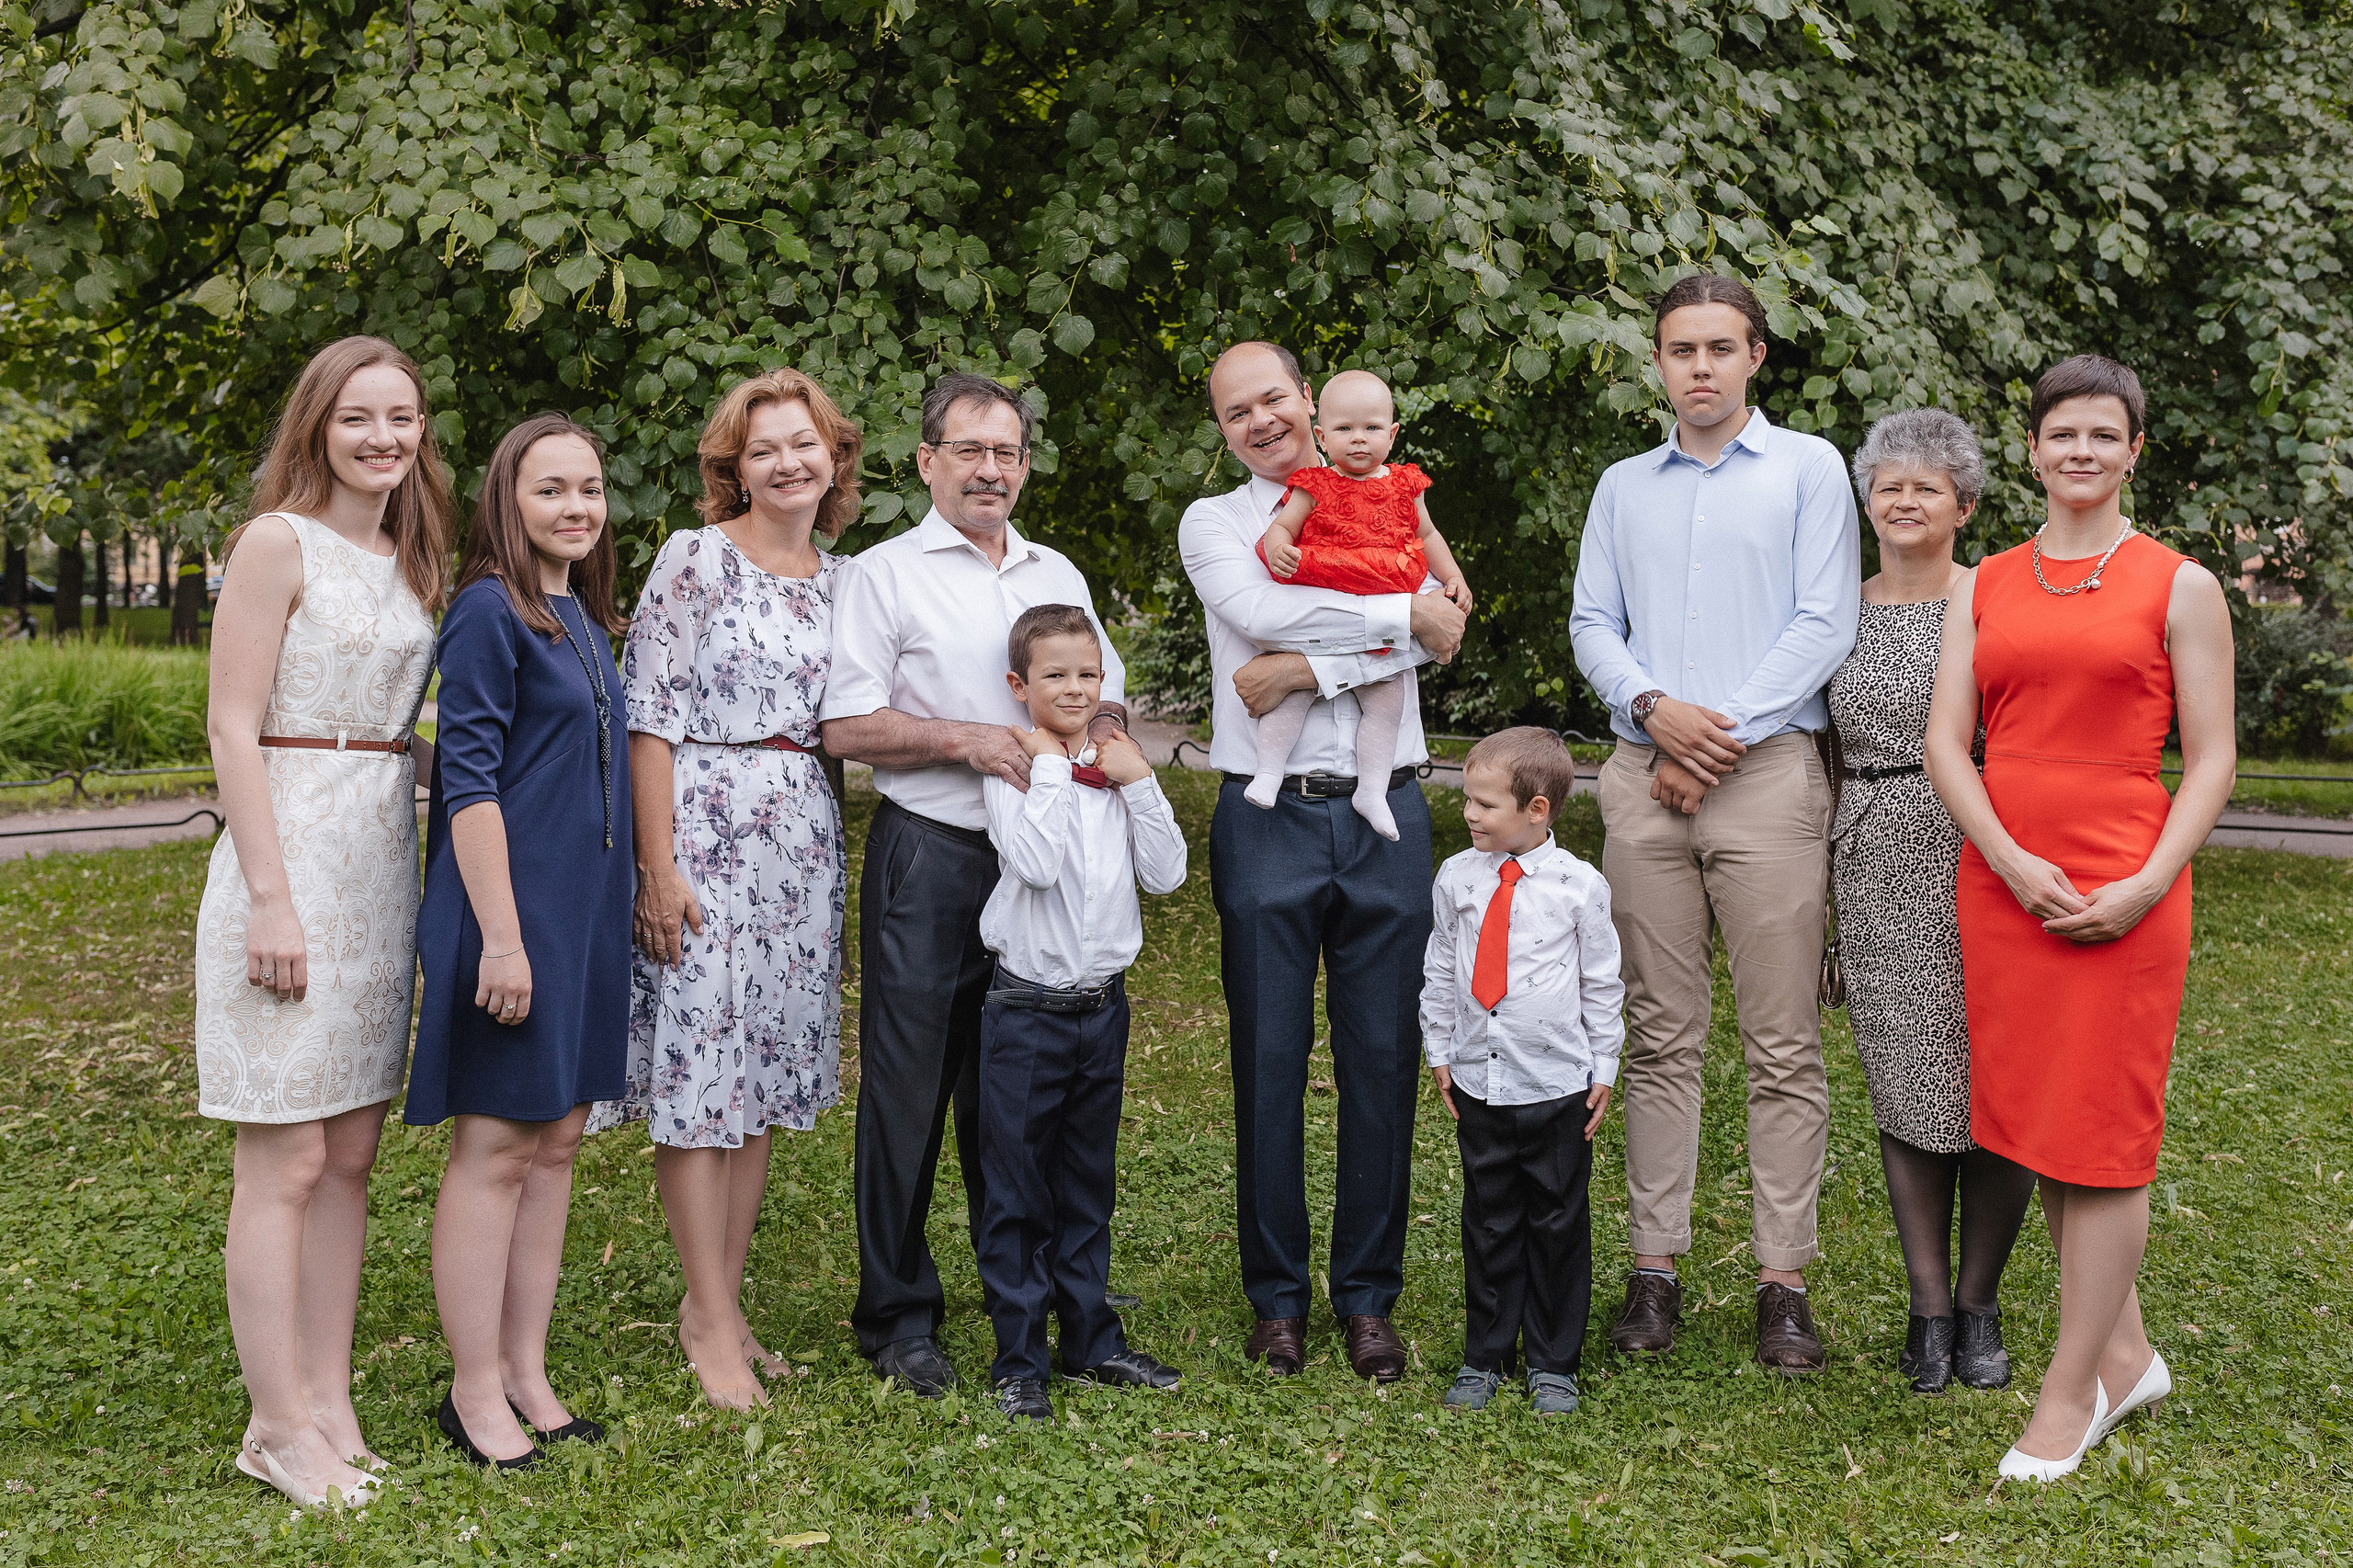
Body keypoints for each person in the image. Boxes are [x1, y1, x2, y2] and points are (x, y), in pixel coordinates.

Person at [1926, 355, 2234, 1480]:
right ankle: (2132, 1350)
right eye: (2063, 434)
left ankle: (2072, 1393)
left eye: (2104, 435)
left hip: (2123, 886)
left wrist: (2149, 882)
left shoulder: (2178, 583)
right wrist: (2006, 859)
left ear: (2132, 450)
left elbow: (2212, 758)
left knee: (2100, 1141)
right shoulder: (1983, 581)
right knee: (2040, 1124)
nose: (2081, 452)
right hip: (2006, 884)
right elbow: (1944, 745)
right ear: (2033, 449)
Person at [1567, 272, 1859, 1373]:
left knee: (1782, 1040)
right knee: (1659, 1033)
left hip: (1766, 776)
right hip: (1643, 777)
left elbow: (1822, 620)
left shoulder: (1807, 470)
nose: (1699, 366)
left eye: (1719, 348)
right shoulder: (1622, 486)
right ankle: (1655, 1268)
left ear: (1754, 358)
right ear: (1658, 362)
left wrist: (1713, 735)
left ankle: (1782, 1280)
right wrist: (1653, 712)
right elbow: (1594, 619)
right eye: (1679, 349)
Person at [819, 372, 1131, 1397]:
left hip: (1047, 862)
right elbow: (847, 724)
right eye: (969, 450)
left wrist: (1107, 757)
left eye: (1006, 452)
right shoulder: (883, 574)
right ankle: (899, 1314)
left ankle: (1041, 1310)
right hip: (936, 853)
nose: (990, 468)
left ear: (1025, 463)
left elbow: (1106, 696)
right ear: (927, 462)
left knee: (1027, 1100)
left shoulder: (1059, 572)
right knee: (912, 1088)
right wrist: (974, 741)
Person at [1177, 341, 1467, 1384]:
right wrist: (1397, 616)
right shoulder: (1218, 524)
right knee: (1266, 1057)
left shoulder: (1393, 495)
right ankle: (1275, 1299)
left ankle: (1369, 1296)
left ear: (1308, 400)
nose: (1259, 421)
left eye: (1272, 399)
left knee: (1381, 1058)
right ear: (1222, 430)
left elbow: (1449, 628)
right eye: (1234, 412)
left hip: (1387, 804)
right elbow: (1259, 610)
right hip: (1270, 821)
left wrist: (1304, 666)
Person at [193, 335, 448, 1506]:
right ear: (318, 423)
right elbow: (233, 726)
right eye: (359, 418)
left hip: (379, 853)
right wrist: (272, 895)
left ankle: (330, 1402)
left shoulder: (411, 552)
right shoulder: (274, 541)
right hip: (286, 852)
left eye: (401, 419)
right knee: (286, 1153)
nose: (382, 438)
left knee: (350, 1151)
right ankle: (274, 1424)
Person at [588, 369, 858, 1410]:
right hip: (701, 823)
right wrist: (657, 869)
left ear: (833, 456)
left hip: (798, 837)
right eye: (764, 448)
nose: (787, 461)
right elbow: (647, 717)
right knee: (702, 1073)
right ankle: (703, 1316)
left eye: (805, 443)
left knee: (755, 1085)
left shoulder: (843, 580)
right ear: (732, 467)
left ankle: (728, 1305)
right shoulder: (695, 559)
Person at [406, 413, 633, 1468]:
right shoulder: (488, 612)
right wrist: (500, 937)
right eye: (552, 489)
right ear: (509, 496)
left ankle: (526, 1368)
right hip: (511, 919)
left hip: (581, 916)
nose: (576, 506)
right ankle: (470, 1389)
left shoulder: (579, 616)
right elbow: (469, 779)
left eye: (589, 487)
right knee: (496, 1151)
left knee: (555, 1147)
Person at [1827, 409, 2037, 1395]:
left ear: (1963, 503)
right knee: (1906, 1079)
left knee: (1998, 1079)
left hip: (1987, 847)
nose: (1903, 498)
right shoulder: (1831, 605)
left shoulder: (1996, 596)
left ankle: (1980, 1299)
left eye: (1926, 485)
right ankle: (1926, 1309)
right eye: (1887, 483)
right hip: (1870, 854)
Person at [974, 605, 1189, 1423]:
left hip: (1103, 1009)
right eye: (1055, 675)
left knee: (1086, 1182)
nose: (1073, 688)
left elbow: (1165, 875)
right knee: (1018, 1189)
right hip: (1026, 1011)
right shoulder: (1013, 774)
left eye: (1087, 675)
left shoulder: (1117, 769)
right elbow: (1033, 862)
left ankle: (1091, 1341)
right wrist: (1055, 771)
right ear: (1019, 687)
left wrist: (1138, 779)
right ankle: (1019, 1356)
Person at [1422, 728, 1621, 1416]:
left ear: (1537, 809)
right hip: (1481, 1081)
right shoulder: (1457, 877)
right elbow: (1444, 966)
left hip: (1557, 1086)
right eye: (1469, 800)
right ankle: (1486, 1355)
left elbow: (1602, 983)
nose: (1469, 813)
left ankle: (1554, 1360)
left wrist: (1605, 1065)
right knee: (1490, 1219)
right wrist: (1440, 1049)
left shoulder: (1579, 887)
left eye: (1484, 803)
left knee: (1558, 1220)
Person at [1251, 369, 1473, 840]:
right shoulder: (1315, 483)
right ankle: (1269, 773)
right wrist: (1275, 545)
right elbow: (1283, 527)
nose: (1358, 440)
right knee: (1295, 690)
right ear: (1321, 435)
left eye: (1372, 428)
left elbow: (1428, 535)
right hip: (1331, 600)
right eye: (1345, 429)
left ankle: (1371, 790)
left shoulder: (1405, 485)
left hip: (1386, 601)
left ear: (1392, 434)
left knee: (1387, 704)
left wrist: (1452, 576)